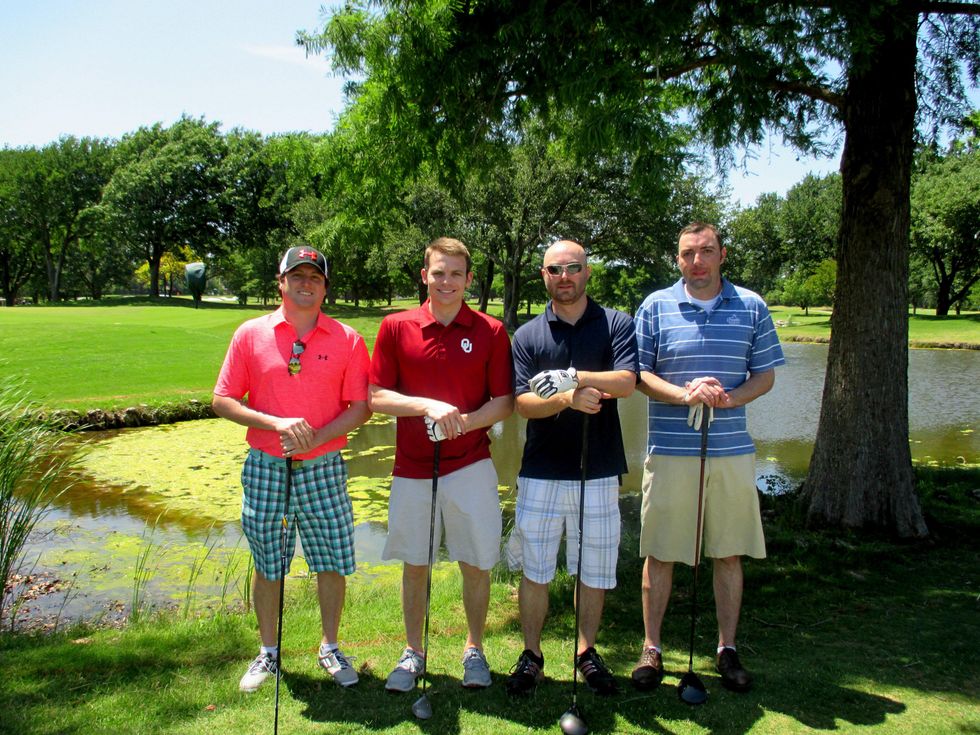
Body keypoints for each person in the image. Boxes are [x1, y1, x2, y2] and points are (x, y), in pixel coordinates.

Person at [631, 222, 785, 693]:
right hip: (670, 451)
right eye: (687, 254)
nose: (697, 261)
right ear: (677, 259)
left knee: (728, 551)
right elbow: (639, 374)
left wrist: (726, 398)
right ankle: (652, 648)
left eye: (706, 252)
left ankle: (726, 649)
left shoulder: (752, 306)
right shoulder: (655, 306)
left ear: (721, 255)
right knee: (660, 553)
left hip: (730, 451)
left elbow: (765, 376)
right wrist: (685, 394)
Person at [212, 246, 372, 692]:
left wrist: (316, 436)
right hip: (266, 464)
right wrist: (276, 422)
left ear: (324, 287)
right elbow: (222, 399)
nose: (306, 284)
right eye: (297, 276)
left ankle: (330, 646)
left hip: (323, 465)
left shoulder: (347, 339)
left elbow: (359, 408)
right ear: (280, 282)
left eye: (315, 278)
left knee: (331, 561)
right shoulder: (250, 334)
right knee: (269, 564)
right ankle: (269, 652)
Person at [368, 237, 514, 692]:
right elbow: (376, 397)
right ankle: (414, 651)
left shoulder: (490, 331)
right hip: (413, 467)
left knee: (475, 562)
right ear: (424, 276)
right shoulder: (396, 327)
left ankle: (474, 649)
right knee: (416, 563)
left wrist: (464, 423)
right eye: (438, 272)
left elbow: (504, 402)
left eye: (455, 274)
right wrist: (428, 406)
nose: (446, 282)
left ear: (469, 279)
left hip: (470, 464)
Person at [504, 240, 638, 697]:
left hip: (598, 470)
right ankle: (532, 654)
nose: (565, 276)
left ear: (587, 272)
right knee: (536, 570)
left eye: (573, 268)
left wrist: (574, 377)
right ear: (543, 275)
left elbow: (626, 381)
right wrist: (564, 399)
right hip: (541, 471)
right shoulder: (527, 336)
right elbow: (522, 404)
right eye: (555, 269)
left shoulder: (615, 323)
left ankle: (586, 652)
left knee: (593, 570)